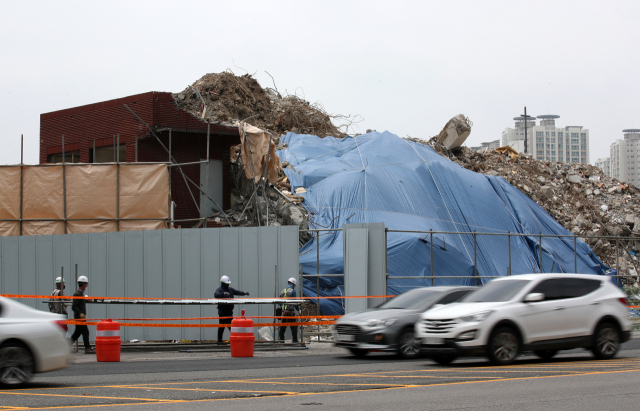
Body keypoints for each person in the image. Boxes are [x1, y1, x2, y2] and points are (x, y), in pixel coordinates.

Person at [214, 275, 249, 344]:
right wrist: (223, 294)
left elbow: (237, 292)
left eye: (228, 284)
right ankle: (219, 341)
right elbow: (216, 295)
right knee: (222, 326)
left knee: (231, 327)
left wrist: (244, 293)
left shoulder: (230, 289)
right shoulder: (219, 290)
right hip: (222, 312)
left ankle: (234, 339)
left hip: (229, 311)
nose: (228, 285)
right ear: (223, 283)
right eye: (226, 284)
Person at [70, 276, 95, 354]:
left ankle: (65, 346)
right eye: (86, 284)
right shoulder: (77, 294)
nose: (86, 286)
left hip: (79, 316)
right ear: (83, 284)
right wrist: (80, 313)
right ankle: (87, 348)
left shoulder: (80, 294)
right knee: (85, 332)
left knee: (77, 333)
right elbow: (74, 306)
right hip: (79, 317)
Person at [278, 277, 299, 343]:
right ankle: (295, 340)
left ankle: (281, 340)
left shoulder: (282, 291)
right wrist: (299, 310)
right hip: (290, 312)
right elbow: (295, 302)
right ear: (293, 284)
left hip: (283, 312)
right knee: (294, 326)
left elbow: (279, 302)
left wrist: (283, 308)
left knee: (282, 327)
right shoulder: (293, 291)